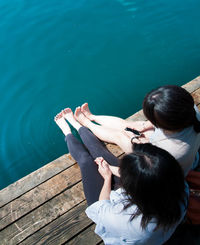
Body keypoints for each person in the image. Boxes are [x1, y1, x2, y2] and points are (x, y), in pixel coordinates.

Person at [54, 108, 189, 245]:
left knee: (85, 161)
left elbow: (101, 208)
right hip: (143, 198)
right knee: (101, 153)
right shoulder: (180, 188)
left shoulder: (128, 222)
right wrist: (109, 169)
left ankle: (67, 132)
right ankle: (79, 126)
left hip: (111, 208)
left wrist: (107, 178)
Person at [72, 85, 200, 176]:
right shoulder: (190, 109)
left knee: (121, 135)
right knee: (135, 125)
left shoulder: (167, 152)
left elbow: (148, 168)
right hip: (183, 158)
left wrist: (135, 139)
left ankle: (87, 123)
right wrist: (144, 126)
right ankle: (92, 117)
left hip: (163, 168)